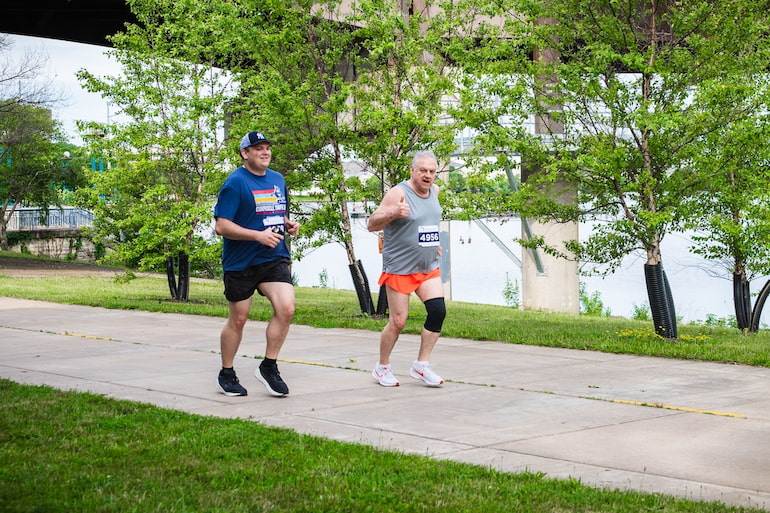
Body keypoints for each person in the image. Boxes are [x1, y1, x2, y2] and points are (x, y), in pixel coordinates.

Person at [213, 130, 300, 397]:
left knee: (286, 308)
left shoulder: (277, 179)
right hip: (241, 261)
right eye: (258, 148)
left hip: (272, 257)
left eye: (267, 148)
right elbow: (221, 226)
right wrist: (256, 236)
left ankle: (269, 366)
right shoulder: (235, 184)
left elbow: (276, 211)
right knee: (238, 319)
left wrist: (287, 224)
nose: (265, 152)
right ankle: (226, 373)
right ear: (245, 153)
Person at [367, 150, 446, 387]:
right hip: (401, 268)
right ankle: (382, 367)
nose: (428, 175)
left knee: (438, 311)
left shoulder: (436, 191)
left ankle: (421, 365)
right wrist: (393, 213)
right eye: (423, 170)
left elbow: (427, 221)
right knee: (398, 321)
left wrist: (433, 244)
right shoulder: (398, 193)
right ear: (412, 170)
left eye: (432, 171)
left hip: (427, 266)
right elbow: (371, 224)